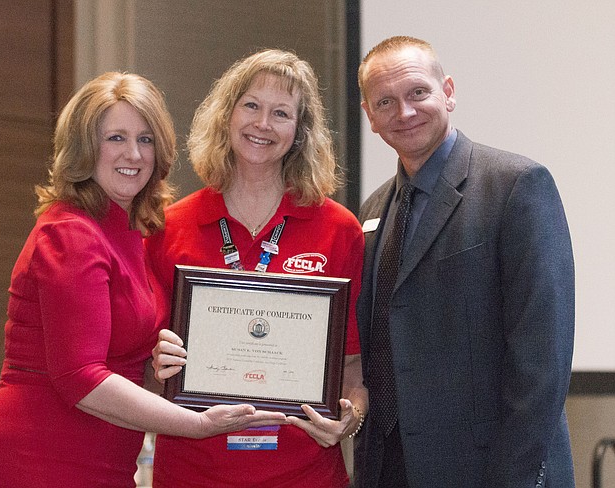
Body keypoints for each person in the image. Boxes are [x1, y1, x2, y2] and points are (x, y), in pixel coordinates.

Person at [0, 71, 285, 488]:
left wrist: (163, 364)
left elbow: (127, 363)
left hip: (104, 458)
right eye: (115, 138)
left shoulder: (131, 234)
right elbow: (82, 378)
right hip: (43, 454)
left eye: (146, 139)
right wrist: (196, 424)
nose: (133, 154)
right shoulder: (71, 233)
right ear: (84, 148)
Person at [354, 35, 575, 488]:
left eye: (418, 93)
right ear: (370, 116)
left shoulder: (517, 186)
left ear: (448, 92)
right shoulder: (373, 209)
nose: (405, 112)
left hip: (491, 470)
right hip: (388, 468)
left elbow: (541, 362)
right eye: (386, 101)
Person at [146, 49, 369, 487]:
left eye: (281, 112)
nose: (263, 124)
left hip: (304, 475)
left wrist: (350, 419)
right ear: (226, 116)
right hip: (193, 474)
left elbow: (354, 362)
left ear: (300, 132)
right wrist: (156, 366)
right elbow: (137, 366)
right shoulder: (168, 227)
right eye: (251, 105)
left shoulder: (338, 229)